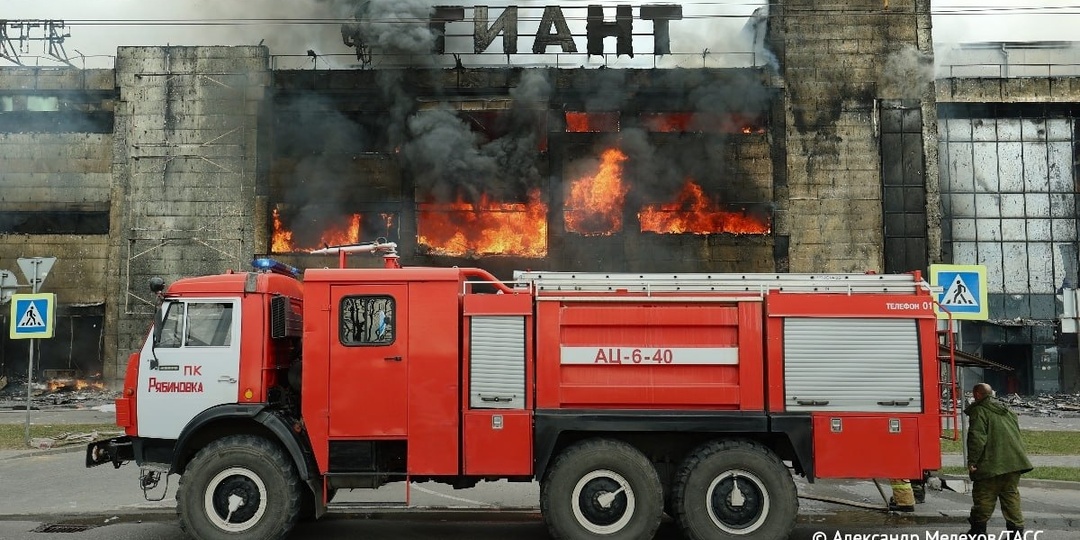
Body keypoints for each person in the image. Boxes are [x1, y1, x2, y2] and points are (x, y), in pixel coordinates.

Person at [965, 382, 1033, 536]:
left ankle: (977, 533)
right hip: (1014, 462)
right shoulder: (1007, 410)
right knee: (1010, 497)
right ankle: (1016, 533)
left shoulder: (980, 411)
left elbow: (977, 438)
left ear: (976, 395)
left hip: (991, 463)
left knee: (984, 497)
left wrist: (973, 462)